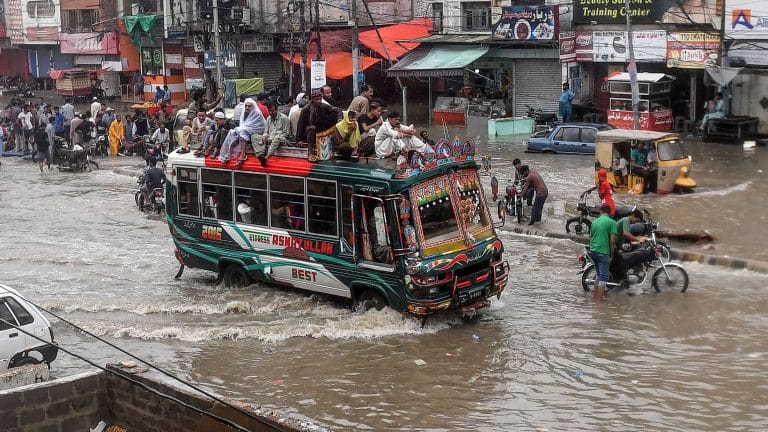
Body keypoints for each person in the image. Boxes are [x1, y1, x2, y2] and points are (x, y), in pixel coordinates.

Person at [296, 90, 342, 161]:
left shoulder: (324, 106)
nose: (319, 101)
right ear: (312, 100)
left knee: (333, 115)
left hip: (320, 129)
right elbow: (300, 125)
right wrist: (299, 140)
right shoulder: (306, 109)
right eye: (317, 99)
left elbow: (338, 110)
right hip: (308, 131)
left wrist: (339, 119)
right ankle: (310, 153)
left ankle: (333, 149)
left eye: (320, 99)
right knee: (312, 128)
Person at [218, 97, 266, 164]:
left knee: (243, 132)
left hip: (256, 132)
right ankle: (227, 154)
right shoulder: (244, 113)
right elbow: (243, 124)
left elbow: (257, 126)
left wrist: (242, 129)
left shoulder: (257, 113)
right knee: (233, 132)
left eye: (249, 106)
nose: (247, 107)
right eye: (246, 106)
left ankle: (243, 155)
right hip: (247, 130)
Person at [589, 204, 618, 301]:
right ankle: (599, 302)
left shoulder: (594, 222)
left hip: (593, 251)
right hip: (603, 252)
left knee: (598, 275)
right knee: (603, 278)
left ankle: (595, 298)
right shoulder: (612, 222)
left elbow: (592, 236)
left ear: (601, 211)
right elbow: (612, 240)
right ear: (609, 213)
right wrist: (612, 254)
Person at [252, 100, 291, 166]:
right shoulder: (268, 118)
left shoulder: (284, 118)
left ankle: (266, 158)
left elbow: (287, 134)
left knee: (277, 138)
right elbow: (266, 132)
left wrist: (272, 139)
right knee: (254, 136)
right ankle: (260, 155)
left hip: (281, 139)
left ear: (277, 110)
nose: (270, 113)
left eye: (272, 111)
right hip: (269, 139)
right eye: (269, 111)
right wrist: (265, 136)